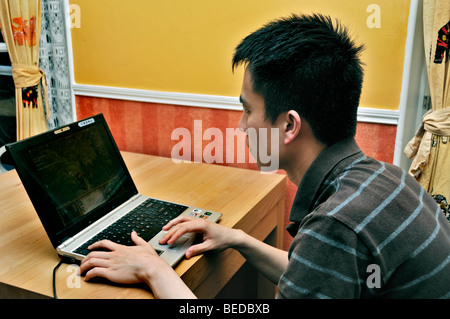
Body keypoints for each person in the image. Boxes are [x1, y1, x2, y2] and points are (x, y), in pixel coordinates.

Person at [80, 13, 450, 299]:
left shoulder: (336, 225)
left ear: (290, 126)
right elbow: (311, 272)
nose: (241, 127)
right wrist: (237, 239)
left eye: (247, 110)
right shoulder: (384, 178)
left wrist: (154, 270)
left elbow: (321, 259)